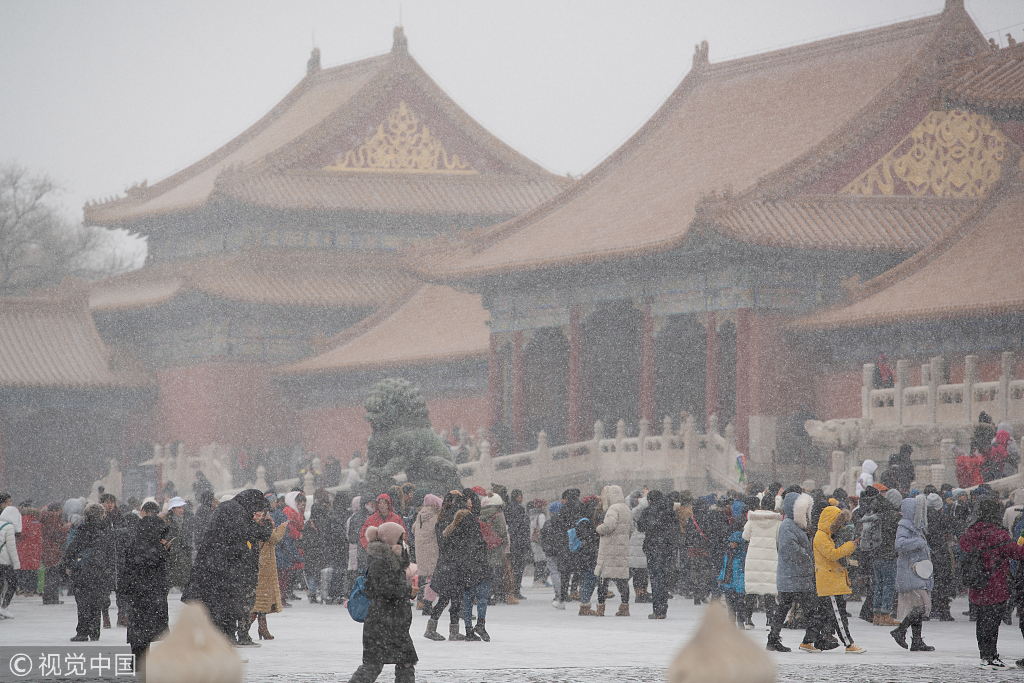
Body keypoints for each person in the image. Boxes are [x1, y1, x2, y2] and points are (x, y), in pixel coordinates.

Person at [182, 489, 272, 643]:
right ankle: (222, 648)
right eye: (257, 509)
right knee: (224, 611)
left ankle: (224, 645)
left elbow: (253, 533)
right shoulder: (236, 512)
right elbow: (248, 535)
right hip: (223, 571)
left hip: (214, 568)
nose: (256, 513)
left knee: (220, 611)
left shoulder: (231, 508)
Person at [347, 522, 417, 682]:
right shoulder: (380, 563)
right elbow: (384, 590)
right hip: (382, 623)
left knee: (405, 662)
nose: (403, 543)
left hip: (393, 623)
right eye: (400, 539)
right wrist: (407, 591)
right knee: (373, 665)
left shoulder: (393, 561)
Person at [959, 498, 1024, 669]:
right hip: (996, 585)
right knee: (993, 622)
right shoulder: (1000, 534)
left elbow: (963, 548)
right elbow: (1018, 554)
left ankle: (984, 654)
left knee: (981, 621)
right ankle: (992, 655)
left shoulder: (969, 533)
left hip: (976, 583)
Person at [771, 492, 822, 652]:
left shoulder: (796, 525)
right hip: (793, 576)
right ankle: (810, 640)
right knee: (809, 609)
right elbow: (788, 549)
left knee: (789, 609)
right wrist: (807, 554)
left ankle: (775, 639)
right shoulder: (787, 525)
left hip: (797, 576)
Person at [813, 505, 866, 654]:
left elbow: (837, 555)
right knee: (839, 617)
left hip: (832, 580)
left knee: (825, 615)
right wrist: (850, 546)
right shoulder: (821, 536)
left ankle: (808, 641)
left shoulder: (828, 535)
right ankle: (849, 643)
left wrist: (849, 548)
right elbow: (833, 554)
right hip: (829, 581)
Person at [120, 514, 171, 662]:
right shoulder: (151, 547)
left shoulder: (135, 543)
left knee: (139, 629)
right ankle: (142, 660)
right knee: (146, 628)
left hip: (139, 592)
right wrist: (164, 550)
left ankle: (139, 659)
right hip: (149, 592)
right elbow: (153, 563)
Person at [60, 504, 114, 641]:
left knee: (83, 602)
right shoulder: (106, 530)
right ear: (102, 515)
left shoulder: (83, 529)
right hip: (99, 570)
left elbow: (73, 547)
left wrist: (63, 563)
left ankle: (82, 631)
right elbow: (110, 554)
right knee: (96, 601)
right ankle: (95, 632)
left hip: (82, 571)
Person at [890, 494, 934, 651]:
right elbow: (899, 545)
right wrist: (918, 543)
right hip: (910, 571)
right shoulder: (904, 527)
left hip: (917, 572)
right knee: (922, 605)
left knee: (918, 606)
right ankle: (900, 630)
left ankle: (916, 640)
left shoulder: (916, 527)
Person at [637, 489, 681, 619]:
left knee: (656, 579)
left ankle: (657, 610)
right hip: (667, 548)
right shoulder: (670, 511)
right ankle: (663, 608)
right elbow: (676, 528)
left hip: (653, 548)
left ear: (650, 500)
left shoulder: (648, 511)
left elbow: (640, 527)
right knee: (665, 577)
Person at [251, 497, 288, 640]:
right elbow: (272, 538)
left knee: (262, 600)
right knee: (259, 600)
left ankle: (263, 628)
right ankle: (243, 629)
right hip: (263, 566)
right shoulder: (260, 521)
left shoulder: (261, 521)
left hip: (265, 566)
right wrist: (282, 528)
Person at [743, 495, 781, 632]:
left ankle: (747, 619)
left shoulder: (752, 520)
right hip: (770, 557)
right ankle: (769, 621)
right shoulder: (777, 521)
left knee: (752, 589)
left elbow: (745, 536)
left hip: (753, 556)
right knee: (769, 590)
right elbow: (779, 538)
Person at [594, 485, 632, 617]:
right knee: (622, 579)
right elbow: (631, 529)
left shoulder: (612, 509)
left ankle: (600, 608)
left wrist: (599, 528)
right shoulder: (626, 508)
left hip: (609, 549)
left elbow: (609, 526)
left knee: (603, 579)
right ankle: (625, 606)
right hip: (621, 549)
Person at [414, 494, 441, 615]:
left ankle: (426, 602)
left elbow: (413, 529)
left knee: (428, 578)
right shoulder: (435, 517)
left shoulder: (420, 516)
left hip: (422, 552)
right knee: (433, 579)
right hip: (433, 552)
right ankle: (428, 604)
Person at [505, 489, 531, 601]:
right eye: (521, 496)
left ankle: (510, 590)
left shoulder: (507, 507)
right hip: (519, 541)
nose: (522, 498)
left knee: (511, 567)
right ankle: (516, 590)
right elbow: (522, 525)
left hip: (511, 540)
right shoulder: (519, 508)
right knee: (519, 568)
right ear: (517, 497)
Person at [718, 531, 749, 628]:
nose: (731, 544)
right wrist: (720, 579)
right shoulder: (727, 554)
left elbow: (743, 572)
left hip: (737, 586)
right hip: (728, 584)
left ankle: (740, 621)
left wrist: (741, 585)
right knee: (730, 606)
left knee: (739, 605)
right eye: (730, 542)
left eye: (733, 542)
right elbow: (724, 568)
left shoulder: (742, 556)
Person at [40, 502, 67, 605]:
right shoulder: (52, 519)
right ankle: (52, 598)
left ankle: (49, 597)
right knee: (53, 574)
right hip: (52, 549)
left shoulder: (46, 518)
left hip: (48, 548)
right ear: (56, 510)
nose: (62, 511)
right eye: (60, 509)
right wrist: (68, 527)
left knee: (50, 574)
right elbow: (59, 531)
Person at [0, 492, 20, 618]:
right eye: (8, 502)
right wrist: (16, 563)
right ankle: (4, 607)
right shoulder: (9, 526)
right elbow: (12, 548)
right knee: (12, 583)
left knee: (1, 584)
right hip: (5, 560)